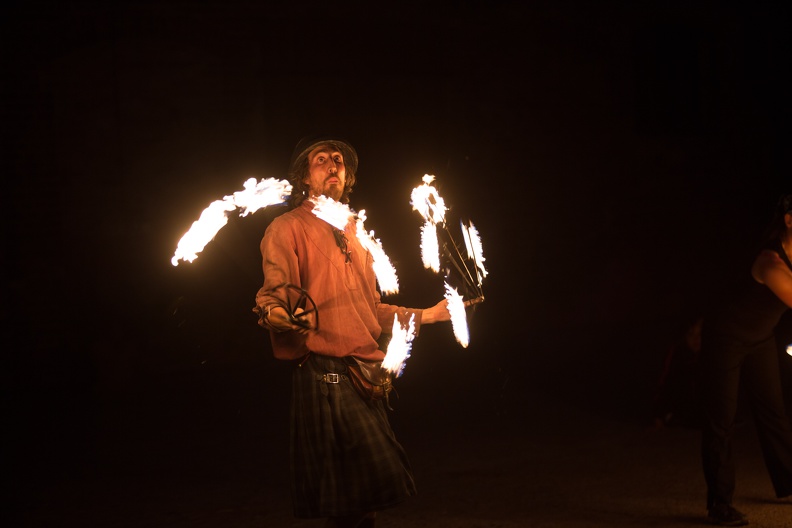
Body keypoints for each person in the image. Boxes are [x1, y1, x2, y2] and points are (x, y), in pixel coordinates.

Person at [252, 135, 456, 528]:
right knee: (352, 501)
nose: (333, 165)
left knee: (367, 499)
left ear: (348, 178)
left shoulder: (357, 234)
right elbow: (272, 298)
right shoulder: (286, 228)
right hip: (324, 373)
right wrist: (280, 315)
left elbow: (371, 309)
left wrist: (430, 315)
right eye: (321, 160)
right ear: (304, 177)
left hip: (364, 374)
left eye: (339, 161)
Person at [698, 194, 792, 526]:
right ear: (789, 221)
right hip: (726, 338)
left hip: (760, 339)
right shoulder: (770, 262)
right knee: (721, 421)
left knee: (773, 412)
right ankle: (719, 504)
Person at [650, 315, 704, 430]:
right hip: (678, 408)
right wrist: (657, 414)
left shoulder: (711, 356)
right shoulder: (676, 354)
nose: (696, 339)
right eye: (691, 334)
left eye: (700, 334)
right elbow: (663, 383)